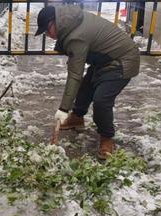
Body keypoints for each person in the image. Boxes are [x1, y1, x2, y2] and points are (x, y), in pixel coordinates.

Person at [35, 5, 140, 159]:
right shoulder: (71, 22)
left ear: (55, 22)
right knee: (86, 87)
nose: (48, 35)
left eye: (47, 30)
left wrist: (63, 108)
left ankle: (107, 138)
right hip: (105, 60)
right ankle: (77, 118)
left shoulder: (76, 36)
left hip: (122, 60)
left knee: (101, 100)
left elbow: (74, 75)